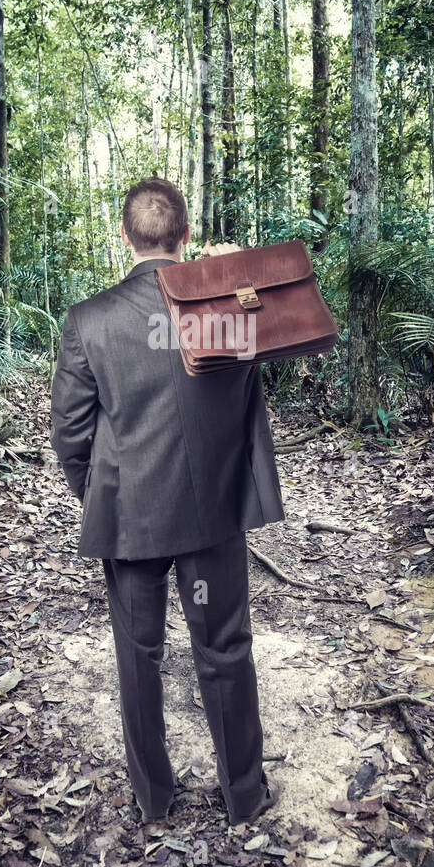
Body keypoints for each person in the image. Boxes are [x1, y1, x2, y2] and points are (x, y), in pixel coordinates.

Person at [50, 177, 285, 827]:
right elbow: (248, 390)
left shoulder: (88, 320)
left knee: (139, 657)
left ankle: (154, 800)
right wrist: (235, 276)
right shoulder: (227, 310)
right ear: (186, 236)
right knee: (225, 649)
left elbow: (69, 434)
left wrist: (100, 493)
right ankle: (245, 796)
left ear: (123, 237)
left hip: (132, 518)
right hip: (211, 515)